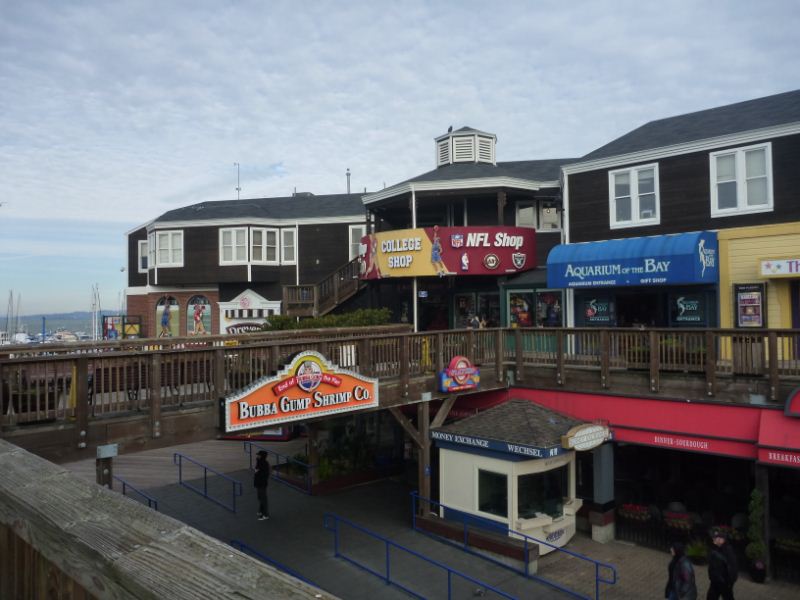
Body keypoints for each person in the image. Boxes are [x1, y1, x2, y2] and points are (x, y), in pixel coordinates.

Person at [707, 529, 738, 600]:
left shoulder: (728, 551)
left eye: (716, 538)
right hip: (715, 581)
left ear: (722, 540)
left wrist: (729, 582)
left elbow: (732, 568)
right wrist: (712, 577)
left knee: (728, 597)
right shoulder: (715, 549)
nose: (714, 539)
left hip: (724, 582)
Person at [253, 450, 271, 520]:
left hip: (262, 484)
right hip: (259, 483)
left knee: (263, 498)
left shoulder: (264, 463)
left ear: (262, 456)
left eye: (258, 455)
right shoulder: (259, 462)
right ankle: (260, 511)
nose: (257, 456)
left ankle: (265, 515)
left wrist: (257, 472)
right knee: (260, 497)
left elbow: (264, 474)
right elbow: (256, 470)